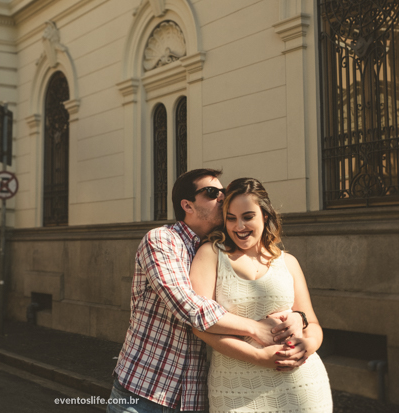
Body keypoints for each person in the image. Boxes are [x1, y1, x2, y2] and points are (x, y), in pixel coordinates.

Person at [110, 169, 303, 413]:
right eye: (212, 192)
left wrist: (298, 317)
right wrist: (256, 328)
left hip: (193, 397)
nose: (222, 197)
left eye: (223, 192)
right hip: (143, 391)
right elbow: (189, 306)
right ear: (187, 205)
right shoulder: (162, 240)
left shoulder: (218, 249)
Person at [190, 177, 332, 412]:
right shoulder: (211, 255)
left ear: (264, 216)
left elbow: (313, 324)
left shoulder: (288, 262)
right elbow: (199, 326)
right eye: (231, 218)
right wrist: (259, 358)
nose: (239, 227)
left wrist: (306, 346)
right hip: (236, 390)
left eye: (248, 217)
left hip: (302, 386)